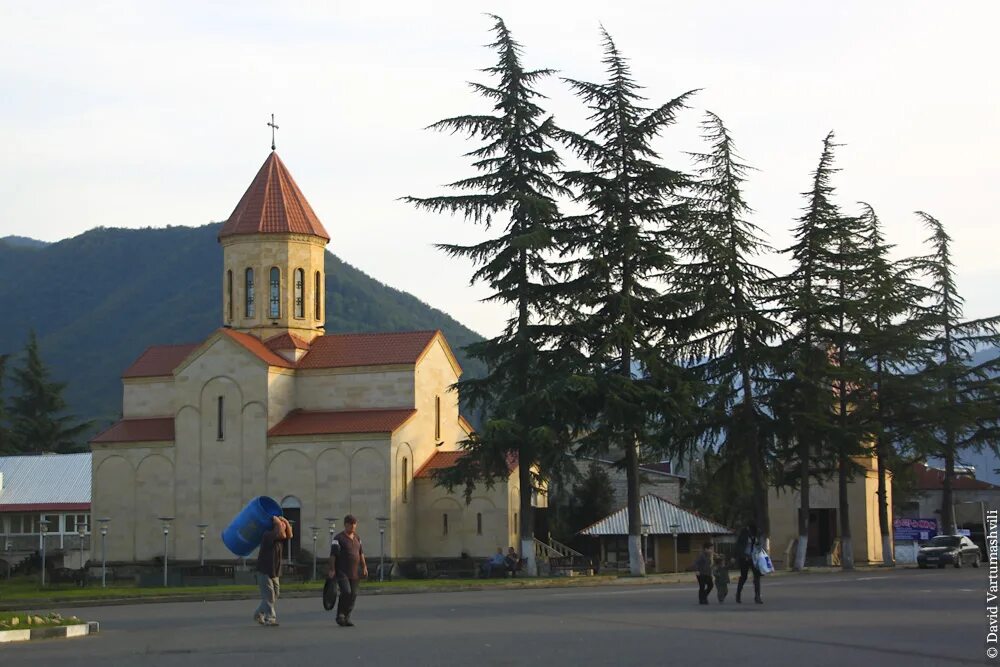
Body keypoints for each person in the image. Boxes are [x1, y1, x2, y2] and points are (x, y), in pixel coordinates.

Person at [328, 514, 368, 627]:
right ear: (346, 525)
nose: (353, 527)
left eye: (355, 525)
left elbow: (361, 553)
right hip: (342, 571)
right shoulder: (338, 539)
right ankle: (340, 614)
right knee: (346, 591)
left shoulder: (357, 538)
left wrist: (364, 566)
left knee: (353, 594)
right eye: (351, 525)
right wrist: (332, 569)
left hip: (355, 572)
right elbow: (332, 555)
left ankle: (347, 617)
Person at [254, 515, 292, 626]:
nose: (284, 527)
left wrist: (284, 520)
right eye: (281, 525)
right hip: (264, 570)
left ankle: (258, 614)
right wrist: (277, 521)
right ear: (275, 527)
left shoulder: (280, 537)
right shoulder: (268, 535)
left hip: (275, 571)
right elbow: (281, 533)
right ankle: (270, 618)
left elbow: (289, 534)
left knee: (276, 594)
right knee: (269, 595)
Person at [735, 521, 763, 604]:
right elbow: (738, 546)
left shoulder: (757, 534)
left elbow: (760, 545)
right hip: (744, 558)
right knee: (744, 577)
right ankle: (738, 594)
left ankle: (757, 596)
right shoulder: (744, 534)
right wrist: (741, 556)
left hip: (754, 558)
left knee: (757, 577)